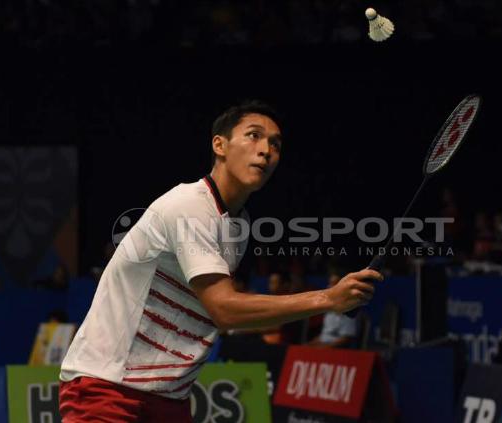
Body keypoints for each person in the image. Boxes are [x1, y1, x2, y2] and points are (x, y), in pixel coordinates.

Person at [58, 100, 381, 422]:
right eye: (254, 136)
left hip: (170, 398)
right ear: (220, 145)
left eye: (275, 144)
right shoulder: (188, 206)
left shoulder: (237, 226)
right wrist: (327, 298)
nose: (266, 150)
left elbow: (223, 315)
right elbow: (224, 309)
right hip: (108, 388)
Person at [308, 268, 358, 348]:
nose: (329, 286)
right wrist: (309, 345)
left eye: (334, 283)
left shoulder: (349, 309)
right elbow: (324, 337)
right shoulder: (328, 310)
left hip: (338, 352)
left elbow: (346, 339)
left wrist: (324, 348)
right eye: (330, 283)